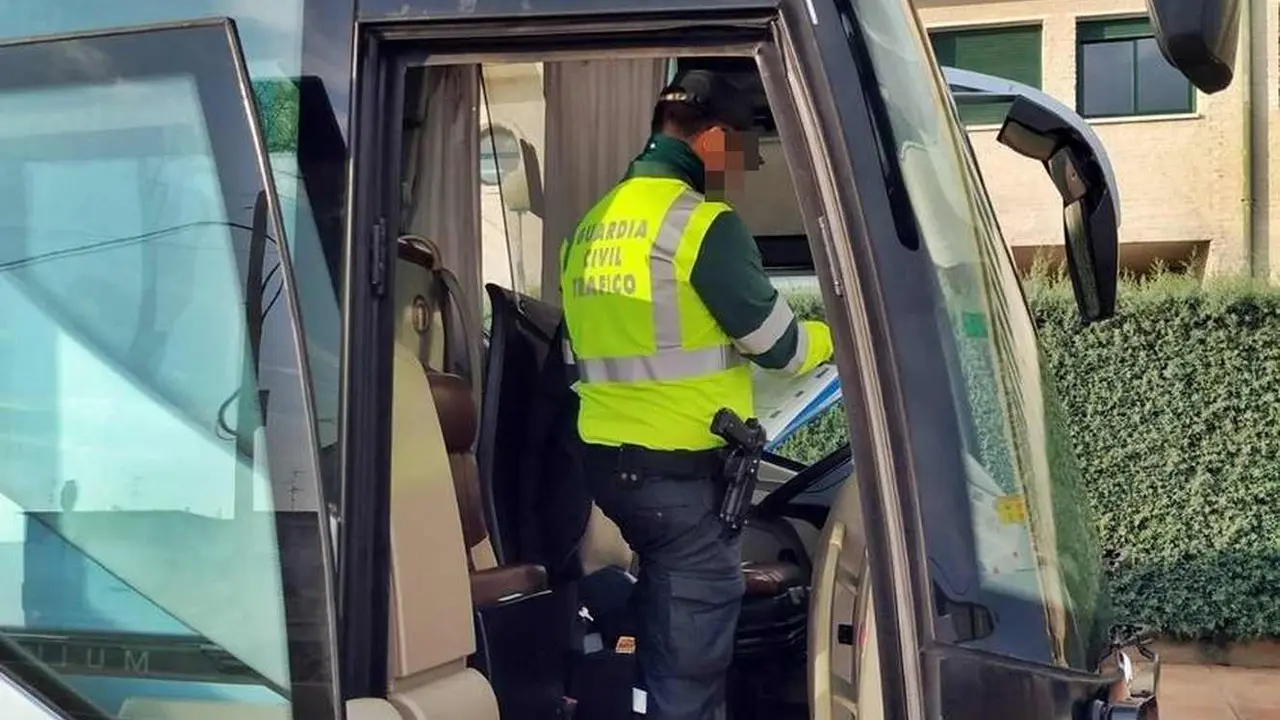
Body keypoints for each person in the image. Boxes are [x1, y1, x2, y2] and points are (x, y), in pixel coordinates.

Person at [558, 68, 834, 720]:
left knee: (667, 612)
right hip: (675, 478)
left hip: (611, 467)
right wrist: (840, 337)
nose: (748, 164)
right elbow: (782, 349)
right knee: (693, 656)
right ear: (711, 141)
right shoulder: (700, 225)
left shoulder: (592, 226)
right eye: (746, 148)